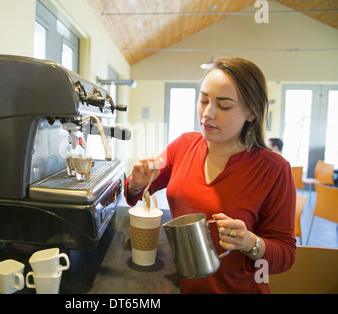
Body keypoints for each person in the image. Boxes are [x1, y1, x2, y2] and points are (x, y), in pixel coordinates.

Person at [125, 58, 296, 294]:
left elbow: (286, 254)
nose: (208, 113)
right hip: (183, 286)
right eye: (204, 100)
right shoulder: (184, 145)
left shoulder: (273, 169)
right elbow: (135, 193)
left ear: (252, 113)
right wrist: (137, 183)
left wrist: (249, 242)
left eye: (224, 106)